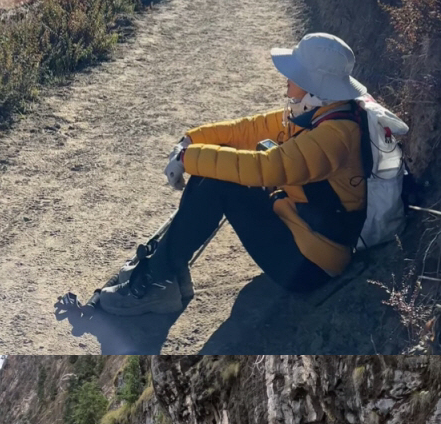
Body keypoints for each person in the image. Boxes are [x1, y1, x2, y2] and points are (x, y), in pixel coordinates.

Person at [97, 31, 374, 314]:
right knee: (215, 173)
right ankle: (167, 274)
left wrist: (187, 158)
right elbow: (247, 130)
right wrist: (191, 140)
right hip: (300, 232)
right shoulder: (319, 114)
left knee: (223, 183)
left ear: (315, 88)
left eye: (294, 76)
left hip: (312, 265)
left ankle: (156, 282)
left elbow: (266, 168)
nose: (287, 82)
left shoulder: (336, 135)